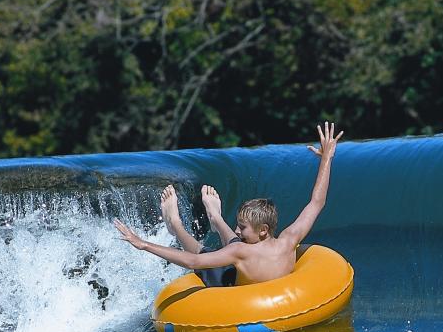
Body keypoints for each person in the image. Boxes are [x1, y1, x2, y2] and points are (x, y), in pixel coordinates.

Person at [114, 121, 343, 286]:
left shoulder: (240, 251)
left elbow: (194, 260)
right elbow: (316, 202)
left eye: (242, 226)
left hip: (231, 288)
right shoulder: (289, 240)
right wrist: (327, 159)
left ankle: (176, 225)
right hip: (252, 269)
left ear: (263, 230)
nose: (238, 229)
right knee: (233, 242)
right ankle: (215, 217)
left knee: (205, 249)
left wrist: (143, 244)